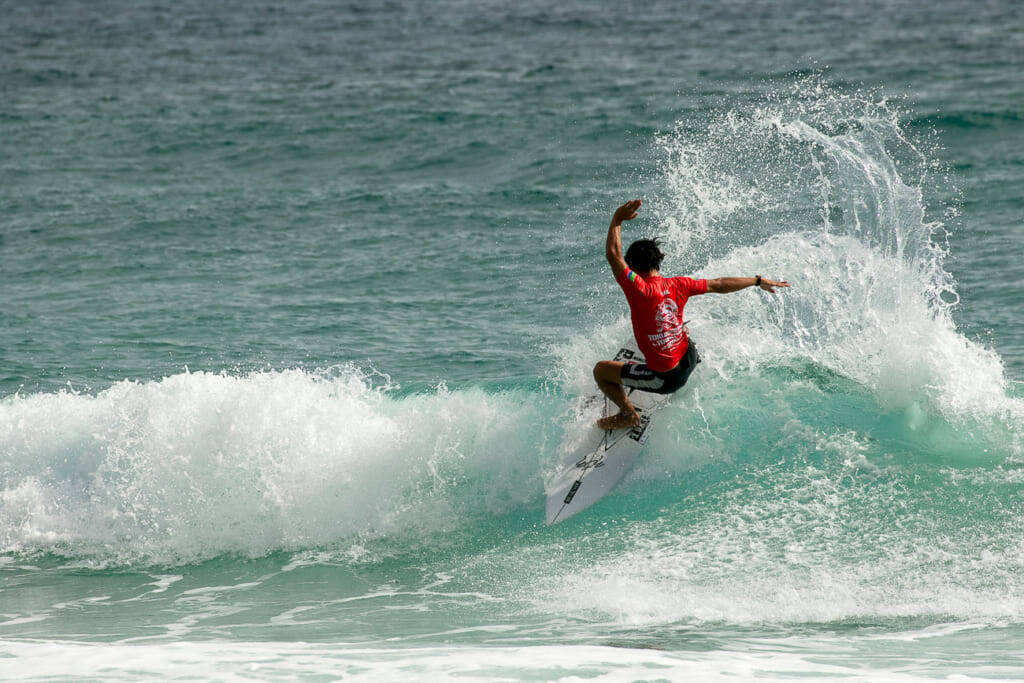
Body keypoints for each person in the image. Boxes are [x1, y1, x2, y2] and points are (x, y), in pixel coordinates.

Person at [594, 198, 789, 430]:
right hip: (689, 358)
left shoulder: (638, 288)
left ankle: (628, 414)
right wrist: (757, 280)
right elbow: (720, 284)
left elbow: (613, 254)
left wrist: (617, 219)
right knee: (680, 324)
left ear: (633, 267)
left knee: (601, 371)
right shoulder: (680, 284)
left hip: (666, 379)